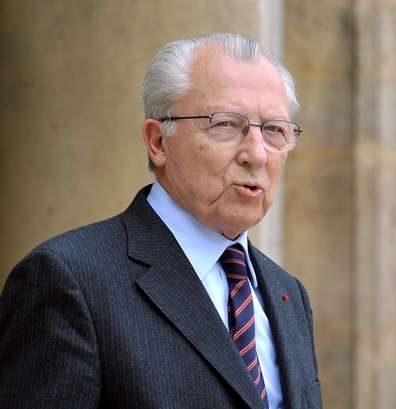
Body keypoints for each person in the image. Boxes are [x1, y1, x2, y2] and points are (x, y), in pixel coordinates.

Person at [0, 33, 322, 409]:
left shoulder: (289, 294)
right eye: (226, 124)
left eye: (274, 131)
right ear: (158, 141)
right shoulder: (70, 279)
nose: (256, 155)